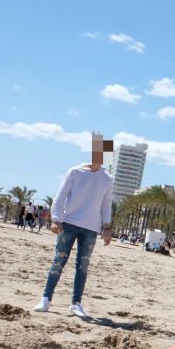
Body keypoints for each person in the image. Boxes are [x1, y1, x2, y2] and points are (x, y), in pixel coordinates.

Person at [32, 133, 114, 317]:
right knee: (59, 261)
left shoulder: (107, 178)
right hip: (69, 223)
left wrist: (107, 228)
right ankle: (46, 299)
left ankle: (76, 303)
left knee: (82, 266)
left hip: (91, 229)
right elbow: (60, 195)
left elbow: (106, 204)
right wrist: (55, 218)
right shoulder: (75, 172)